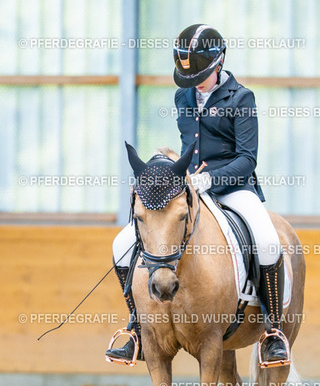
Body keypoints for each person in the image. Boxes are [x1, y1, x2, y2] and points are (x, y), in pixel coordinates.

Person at [105, 23, 289, 367]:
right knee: (122, 243)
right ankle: (136, 327)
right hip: (190, 188)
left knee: (266, 240)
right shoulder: (183, 97)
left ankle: (273, 332)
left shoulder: (241, 98)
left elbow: (247, 159)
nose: (195, 84)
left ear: (220, 63)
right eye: (189, 78)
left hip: (234, 188)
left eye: (200, 76)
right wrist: (164, 174)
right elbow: (188, 147)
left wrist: (211, 179)